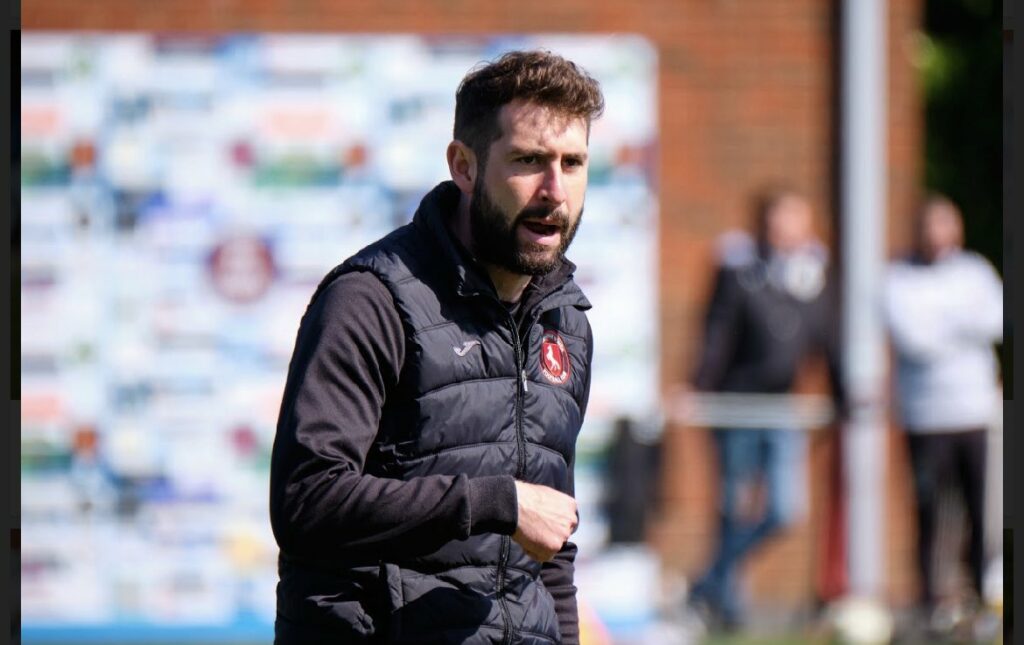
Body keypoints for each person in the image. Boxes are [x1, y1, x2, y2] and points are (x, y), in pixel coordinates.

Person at [269, 50, 604, 644]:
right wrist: (494, 502)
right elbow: (307, 501)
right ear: (464, 167)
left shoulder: (566, 322)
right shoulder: (370, 299)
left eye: (572, 163)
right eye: (529, 160)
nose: (555, 190)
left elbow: (550, 552)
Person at [681, 186, 843, 630]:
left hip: (782, 409)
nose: (786, 231)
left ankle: (708, 580)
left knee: (785, 510)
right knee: (733, 507)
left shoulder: (813, 278)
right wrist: (698, 386)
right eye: (778, 221)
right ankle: (728, 608)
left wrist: (843, 395)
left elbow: (828, 340)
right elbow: (717, 334)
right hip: (737, 406)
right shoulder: (739, 272)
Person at [883, 194, 1002, 634]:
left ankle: (980, 601)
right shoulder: (897, 277)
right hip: (924, 416)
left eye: (945, 224)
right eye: (929, 225)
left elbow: (995, 320)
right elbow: (914, 337)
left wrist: (945, 324)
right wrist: (961, 324)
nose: (936, 234)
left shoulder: (976, 272)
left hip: (973, 411)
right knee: (931, 510)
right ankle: (929, 604)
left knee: (978, 510)